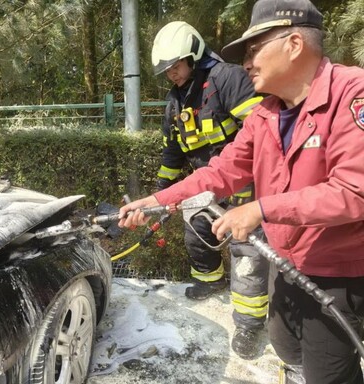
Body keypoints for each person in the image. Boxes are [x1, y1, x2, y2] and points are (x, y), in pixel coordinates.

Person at [119, 0, 364, 382]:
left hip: (337, 271)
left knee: (326, 372)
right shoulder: (267, 113)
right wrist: (155, 201)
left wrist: (259, 209)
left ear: (294, 43)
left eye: (254, 50)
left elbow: (354, 192)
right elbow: (220, 171)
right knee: (285, 345)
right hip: (287, 261)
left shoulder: (353, 95)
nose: (246, 63)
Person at [150, 21, 268, 359]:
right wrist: (162, 193)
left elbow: (260, 133)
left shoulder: (227, 79)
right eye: (167, 70)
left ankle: (248, 321)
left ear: (194, 55)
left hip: (245, 179)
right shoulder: (175, 103)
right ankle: (210, 280)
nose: (171, 74)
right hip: (205, 181)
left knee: (248, 249)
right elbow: (172, 154)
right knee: (197, 228)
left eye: (175, 66)